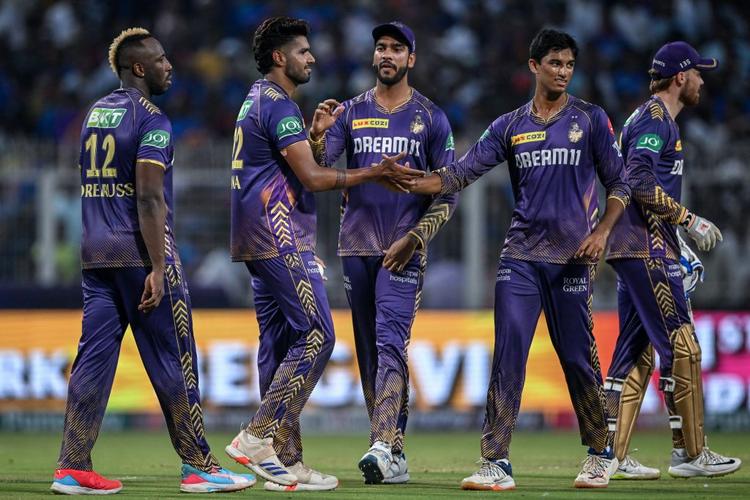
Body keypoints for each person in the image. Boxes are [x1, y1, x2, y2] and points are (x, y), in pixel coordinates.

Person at [408, 28, 630, 490]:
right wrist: (414, 182)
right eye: (554, 63)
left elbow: (621, 184)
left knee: (575, 357)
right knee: (508, 353)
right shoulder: (509, 125)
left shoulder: (590, 120)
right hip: (521, 257)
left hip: (572, 259)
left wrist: (603, 232)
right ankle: (495, 461)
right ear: (534, 66)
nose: (563, 72)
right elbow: (462, 171)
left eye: (569, 64)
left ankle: (599, 451)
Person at [51, 27, 254, 495]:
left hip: (95, 253)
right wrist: (160, 267)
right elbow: (148, 197)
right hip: (141, 254)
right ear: (139, 68)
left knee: (94, 360)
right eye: (161, 60)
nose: (170, 66)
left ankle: (72, 465)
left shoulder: (95, 113)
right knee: (175, 358)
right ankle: (200, 465)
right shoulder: (153, 120)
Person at [224, 17, 423, 492]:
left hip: (253, 238)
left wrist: (315, 137)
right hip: (279, 234)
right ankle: (257, 436)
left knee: (277, 344)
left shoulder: (256, 100)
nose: (311, 58)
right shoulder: (280, 105)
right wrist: (373, 172)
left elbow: (300, 164)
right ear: (280, 58)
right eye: (303, 51)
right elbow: (314, 178)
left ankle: (287, 463)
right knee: (318, 335)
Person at [308, 21, 458, 485]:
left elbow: (448, 193)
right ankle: (394, 451)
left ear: (411, 59)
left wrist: (416, 238)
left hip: (403, 249)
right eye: (381, 48)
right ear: (374, 58)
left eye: (397, 48)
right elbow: (319, 169)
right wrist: (317, 134)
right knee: (371, 351)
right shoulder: (349, 112)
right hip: (356, 246)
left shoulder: (431, 118)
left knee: (393, 341)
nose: (387, 54)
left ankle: (379, 443)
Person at [604, 41, 741, 479]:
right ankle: (691, 454)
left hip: (637, 245)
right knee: (683, 345)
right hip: (646, 248)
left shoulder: (646, 118)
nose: (702, 80)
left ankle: (609, 455)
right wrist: (687, 220)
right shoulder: (656, 120)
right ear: (680, 77)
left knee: (633, 355)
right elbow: (638, 178)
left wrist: (673, 239)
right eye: (698, 73)